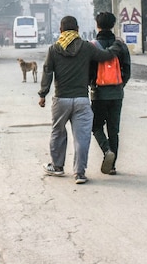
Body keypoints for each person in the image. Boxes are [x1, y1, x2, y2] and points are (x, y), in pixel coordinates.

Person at [38, 15, 122, 185]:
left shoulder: (54, 49)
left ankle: (58, 166)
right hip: (82, 100)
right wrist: (117, 46)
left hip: (61, 99)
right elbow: (105, 56)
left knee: (57, 132)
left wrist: (42, 94)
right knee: (82, 137)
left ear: (61, 30)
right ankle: (80, 173)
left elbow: (47, 72)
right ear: (77, 30)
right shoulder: (85, 47)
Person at [89, 12, 131, 176]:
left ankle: (107, 151)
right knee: (114, 129)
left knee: (96, 126)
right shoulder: (121, 45)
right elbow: (127, 70)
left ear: (97, 25)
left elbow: (89, 70)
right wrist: (120, 85)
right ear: (113, 25)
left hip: (99, 93)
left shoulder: (93, 46)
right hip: (117, 93)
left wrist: (93, 85)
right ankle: (112, 165)